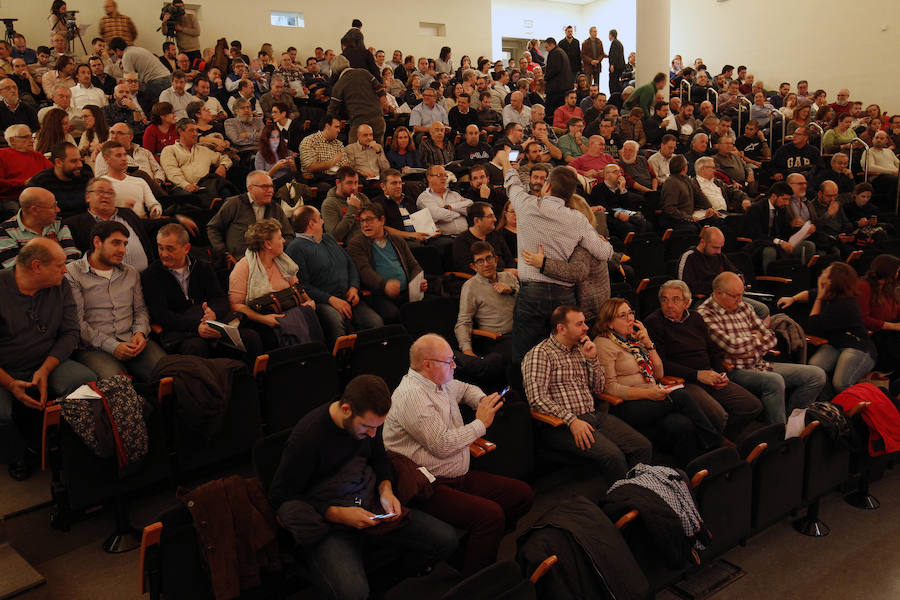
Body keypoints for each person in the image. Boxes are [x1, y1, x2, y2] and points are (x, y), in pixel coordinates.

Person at [268, 374, 458, 600]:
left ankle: (381, 584)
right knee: (353, 592)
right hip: (330, 522)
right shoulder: (307, 438)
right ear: (346, 410)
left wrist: (385, 490)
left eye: (378, 427)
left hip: (369, 503)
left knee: (447, 540)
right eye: (367, 427)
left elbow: (379, 459)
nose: (373, 434)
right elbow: (281, 497)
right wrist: (337, 514)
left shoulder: (369, 423)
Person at [384, 333, 533, 575]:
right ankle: (476, 580)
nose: (455, 365)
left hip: (457, 472)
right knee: (491, 517)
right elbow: (441, 444)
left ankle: (467, 554)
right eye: (449, 361)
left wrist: (482, 400)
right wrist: (480, 423)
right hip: (429, 484)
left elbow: (465, 389)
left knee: (522, 495)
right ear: (428, 365)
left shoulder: (439, 381)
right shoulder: (412, 396)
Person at [500, 150, 614, 362]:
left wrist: (510, 161)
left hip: (532, 294)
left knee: (526, 356)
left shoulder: (525, 205)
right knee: (563, 357)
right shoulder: (578, 219)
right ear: (570, 194)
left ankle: (521, 394)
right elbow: (604, 253)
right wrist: (602, 242)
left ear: (548, 186)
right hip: (564, 296)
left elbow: (511, 184)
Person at [0, 238, 94, 480]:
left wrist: (45, 368)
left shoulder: (60, 285)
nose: (66, 270)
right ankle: (16, 455)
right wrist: (10, 384)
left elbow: (70, 332)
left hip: (47, 360)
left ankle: (72, 446)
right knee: (1, 414)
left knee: (84, 381)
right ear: (36, 266)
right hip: (5, 369)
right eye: (60, 265)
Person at [523, 305, 652, 482]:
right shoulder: (540, 354)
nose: (586, 327)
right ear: (562, 328)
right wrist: (572, 420)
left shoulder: (580, 349)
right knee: (613, 457)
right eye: (580, 324)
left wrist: (592, 359)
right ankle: (623, 503)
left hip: (592, 416)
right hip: (561, 425)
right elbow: (537, 399)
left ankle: (642, 492)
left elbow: (598, 389)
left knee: (642, 446)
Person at [593, 297, 722, 465]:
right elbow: (610, 388)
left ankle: (693, 471)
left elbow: (659, 373)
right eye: (622, 315)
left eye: (630, 313)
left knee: (683, 425)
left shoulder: (635, 340)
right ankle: (715, 442)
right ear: (609, 323)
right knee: (681, 395)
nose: (630, 319)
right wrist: (648, 393)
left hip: (651, 396)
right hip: (626, 405)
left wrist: (648, 344)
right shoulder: (603, 344)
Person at [698, 272, 826, 424]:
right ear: (719, 294)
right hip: (733, 370)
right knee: (774, 381)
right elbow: (733, 347)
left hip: (759, 364)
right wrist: (756, 338)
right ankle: (779, 435)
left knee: (816, 375)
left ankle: (792, 424)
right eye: (735, 296)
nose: (740, 300)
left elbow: (771, 337)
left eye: (741, 294)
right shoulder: (705, 314)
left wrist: (750, 348)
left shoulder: (744, 307)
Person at [645, 280, 763, 439]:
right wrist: (698, 375)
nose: (669, 304)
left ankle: (719, 439)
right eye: (664, 299)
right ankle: (718, 444)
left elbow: (712, 349)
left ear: (687, 303)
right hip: (684, 381)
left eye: (675, 299)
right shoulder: (653, 322)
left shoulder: (695, 318)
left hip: (709, 375)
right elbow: (662, 364)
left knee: (752, 406)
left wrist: (721, 373)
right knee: (719, 416)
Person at [142, 223, 261, 359]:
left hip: (210, 322)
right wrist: (196, 327)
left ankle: (246, 378)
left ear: (186, 248)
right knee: (196, 347)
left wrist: (213, 313)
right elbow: (161, 315)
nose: (164, 254)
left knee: (250, 337)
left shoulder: (202, 267)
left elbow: (219, 298)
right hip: (181, 330)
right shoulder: (151, 275)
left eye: (170, 249)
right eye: (160, 248)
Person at [65, 220, 166, 380]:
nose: (122, 250)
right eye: (116, 243)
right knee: (118, 385)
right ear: (97, 242)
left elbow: (140, 310)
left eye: (125, 244)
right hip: (94, 347)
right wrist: (113, 346)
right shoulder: (72, 274)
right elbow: (78, 323)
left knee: (168, 372)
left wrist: (140, 333)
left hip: (132, 339)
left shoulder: (131, 272)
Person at [777, 263, 877, 400]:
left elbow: (812, 325)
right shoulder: (831, 294)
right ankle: (827, 403)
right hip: (835, 344)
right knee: (816, 368)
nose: (822, 273)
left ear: (833, 280)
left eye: (826, 272)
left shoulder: (844, 304)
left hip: (857, 347)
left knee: (840, 383)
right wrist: (793, 298)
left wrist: (819, 298)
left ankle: (860, 408)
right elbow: (809, 294)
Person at [286, 206, 383, 344]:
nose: (323, 221)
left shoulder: (328, 238)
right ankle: (341, 363)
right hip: (323, 302)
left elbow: (350, 264)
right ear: (311, 224)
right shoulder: (296, 248)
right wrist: (331, 299)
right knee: (338, 326)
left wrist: (354, 287)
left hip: (347, 296)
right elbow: (302, 286)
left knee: (375, 322)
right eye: (320, 218)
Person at [228, 219, 321, 350]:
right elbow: (236, 305)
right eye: (280, 237)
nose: (284, 240)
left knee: (312, 316)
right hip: (261, 319)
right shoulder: (243, 267)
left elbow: (297, 287)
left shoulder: (283, 261)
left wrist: (309, 301)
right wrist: (264, 319)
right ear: (267, 244)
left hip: (291, 312)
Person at [519, 194, 611, 323]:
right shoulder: (591, 238)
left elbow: (578, 272)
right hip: (594, 310)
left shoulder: (582, 245)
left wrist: (543, 263)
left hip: (588, 316)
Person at [347, 203, 427, 323]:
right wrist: (384, 285)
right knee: (393, 315)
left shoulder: (397, 240)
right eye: (362, 221)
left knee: (426, 308)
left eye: (369, 220)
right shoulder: (357, 243)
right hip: (379, 294)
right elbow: (364, 270)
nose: (365, 225)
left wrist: (418, 280)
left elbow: (414, 265)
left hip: (406, 291)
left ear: (382, 220)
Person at [207, 171, 292, 262]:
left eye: (271, 186)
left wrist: (276, 250)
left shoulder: (275, 208)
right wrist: (224, 253)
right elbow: (213, 228)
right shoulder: (234, 204)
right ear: (250, 188)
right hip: (238, 261)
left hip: (270, 262)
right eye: (264, 187)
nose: (270, 190)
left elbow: (289, 235)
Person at [455, 240, 517, 365]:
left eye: (489, 258)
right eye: (480, 261)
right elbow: (464, 321)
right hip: (496, 338)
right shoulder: (470, 287)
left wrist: (511, 291)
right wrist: (467, 350)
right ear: (473, 266)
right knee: (518, 352)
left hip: (521, 330)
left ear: (496, 259)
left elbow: (525, 303)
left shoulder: (509, 277)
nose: (486, 264)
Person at [0, 187, 79, 270]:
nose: (58, 210)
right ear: (34, 210)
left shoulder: (58, 223)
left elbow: (71, 254)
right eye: (52, 207)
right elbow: (18, 268)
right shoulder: (5, 231)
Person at [160, 118, 232, 198]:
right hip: (182, 188)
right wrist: (186, 185)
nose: (195, 134)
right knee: (190, 198)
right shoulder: (170, 150)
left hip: (206, 186)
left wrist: (223, 166)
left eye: (196, 131)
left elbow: (225, 158)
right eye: (191, 130)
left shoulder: (204, 150)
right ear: (180, 132)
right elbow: (172, 172)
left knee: (225, 191)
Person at [854, 254, 900, 377]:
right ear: (890, 272)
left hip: (888, 332)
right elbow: (863, 320)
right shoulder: (864, 286)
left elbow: (895, 310)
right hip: (873, 336)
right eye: (898, 270)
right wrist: (893, 326)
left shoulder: (888, 287)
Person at [27, 142, 92, 219]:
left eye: (80, 160)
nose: (79, 165)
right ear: (58, 162)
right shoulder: (41, 182)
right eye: (73, 161)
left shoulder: (86, 174)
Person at [97, 141, 161, 219]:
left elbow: (154, 205)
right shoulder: (101, 184)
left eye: (125, 155)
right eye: (118, 155)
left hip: (141, 223)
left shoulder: (139, 181)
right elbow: (100, 214)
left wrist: (155, 211)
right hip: (116, 225)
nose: (124, 159)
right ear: (106, 159)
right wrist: (125, 210)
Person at [451, 202, 514, 273]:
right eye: (490, 216)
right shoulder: (462, 242)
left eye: (494, 216)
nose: (495, 219)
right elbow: (468, 270)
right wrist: (503, 272)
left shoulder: (495, 235)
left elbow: (509, 260)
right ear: (476, 220)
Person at [0, 125, 51, 212]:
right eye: (26, 137)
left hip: (40, 195)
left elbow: (52, 172)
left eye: (32, 137)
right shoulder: (2, 155)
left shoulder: (37, 155)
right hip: (13, 197)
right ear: (12, 140)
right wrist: (23, 183)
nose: (32, 140)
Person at [108, 37, 172, 105]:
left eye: (114, 53)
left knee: (157, 108)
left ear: (117, 50)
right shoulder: (136, 49)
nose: (115, 56)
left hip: (157, 82)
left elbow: (130, 78)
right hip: (168, 77)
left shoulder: (126, 56)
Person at [417, 165, 472, 235]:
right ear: (429, 178)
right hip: (444, 238)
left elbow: (470, 205)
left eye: (445, 175)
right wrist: (459, 212)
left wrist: (450, 207)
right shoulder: (424, 197)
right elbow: (438, 215)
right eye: (439, 175)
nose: (443, 178)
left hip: (466, 234)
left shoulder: (454, 194)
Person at [607, 29, 626, 94]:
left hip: (616, 67)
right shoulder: (619, 43)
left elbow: (614, 55)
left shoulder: (614, 43)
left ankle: (613, 96)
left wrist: (612, 65)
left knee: (613, 83)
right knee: (616, 82)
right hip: (620, 67)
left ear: (611, 35)